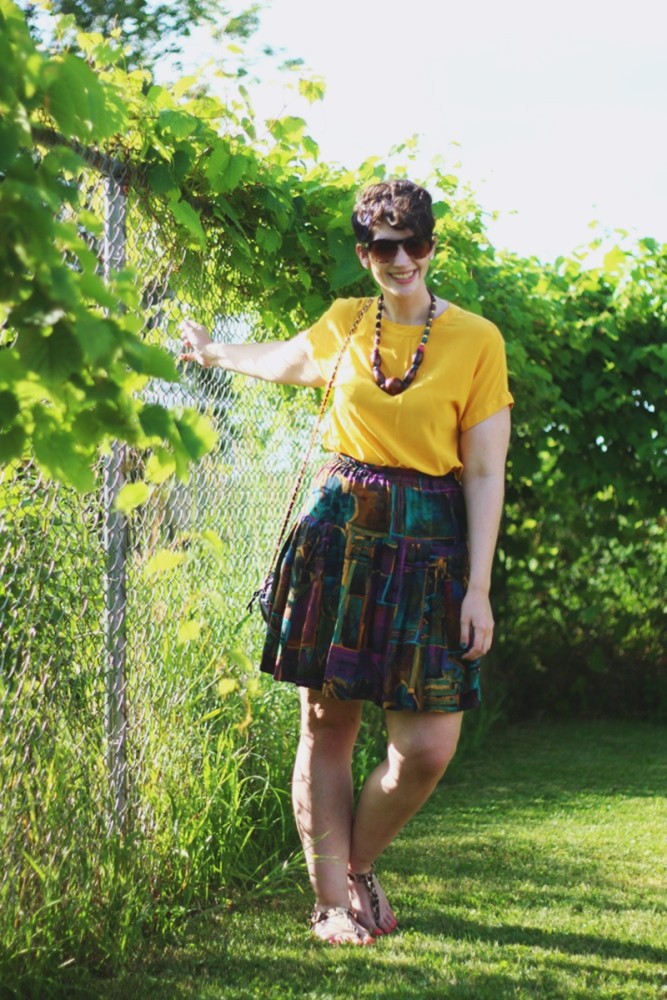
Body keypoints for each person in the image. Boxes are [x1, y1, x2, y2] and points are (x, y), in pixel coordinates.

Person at [180, 179, 513, 946]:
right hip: (340, 530)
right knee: (327, 723)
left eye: (416, 245)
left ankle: (356, 865)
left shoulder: (476, 340)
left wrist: (479, 587)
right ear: (365, 254)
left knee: (426, 747)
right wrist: (209, 348)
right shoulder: (343, 324)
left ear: (433, 247)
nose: (403, 261)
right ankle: (332, 901)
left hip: (431, 541)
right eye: (385, 248)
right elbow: (284, 359)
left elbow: (486, 470)